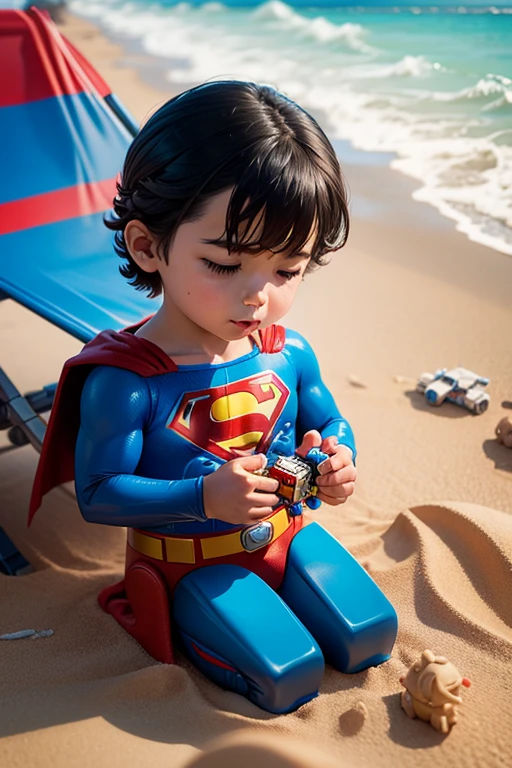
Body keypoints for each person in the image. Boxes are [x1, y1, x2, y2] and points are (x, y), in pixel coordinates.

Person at [29, 81, 397, 714]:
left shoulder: (289, 352)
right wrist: (203, 496)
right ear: (149, 247)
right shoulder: (129, 379)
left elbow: (329, 419)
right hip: (190, 563)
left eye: (287, 270)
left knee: (369, 634)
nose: (258, 295)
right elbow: (97, 492)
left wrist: (337, 454)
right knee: (290, 674)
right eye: (226, 265)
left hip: (286, 532)